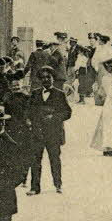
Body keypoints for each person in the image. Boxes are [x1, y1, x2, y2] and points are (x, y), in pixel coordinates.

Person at [27, 66, 72, 195]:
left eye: (49, 77)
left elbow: (67, 112)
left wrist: (54, 117)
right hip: (38, 132)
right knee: (35, 160)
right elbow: (29, 110)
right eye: (43, 78)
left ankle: (58, 184)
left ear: (53, 79)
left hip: (53, 133)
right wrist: (30, 120)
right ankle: (35, 187)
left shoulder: (60, 94)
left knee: (55, 159)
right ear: (40, 80)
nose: (46, 80)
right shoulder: (35, 94)